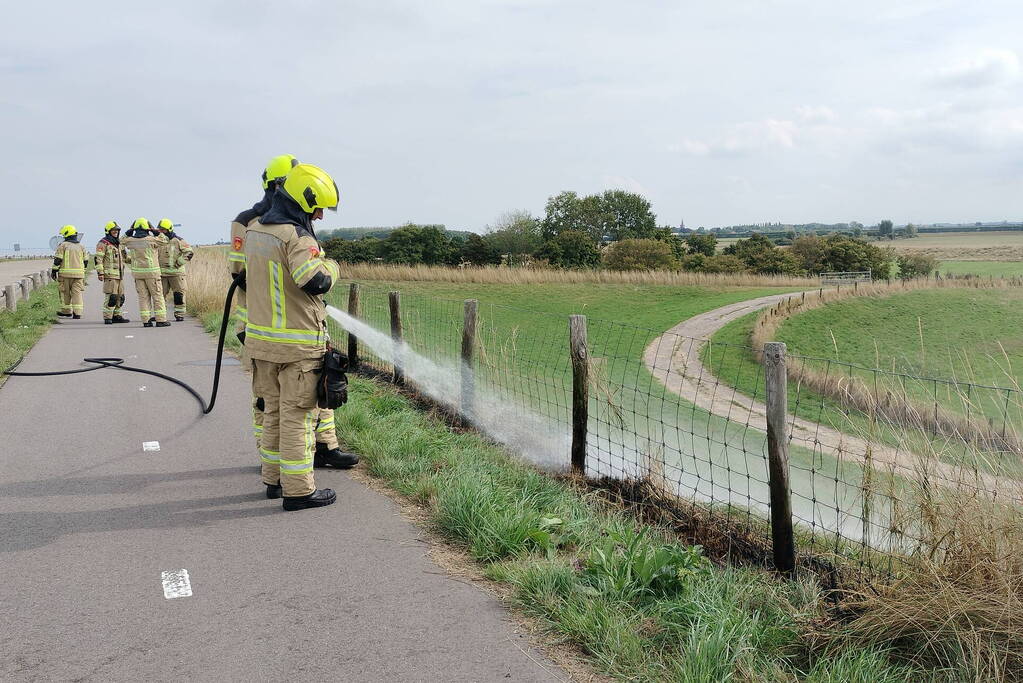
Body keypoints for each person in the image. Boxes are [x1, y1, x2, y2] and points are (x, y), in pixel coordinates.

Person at [232, 154, 357, 469]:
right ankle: (275, 462)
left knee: (313, 387)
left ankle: (323, 448)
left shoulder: (295, 221)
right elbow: (239, 271)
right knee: (271, 403)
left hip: (296, 322)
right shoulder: (249, 221)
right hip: (260, 322)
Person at [123, 218, 170, 327]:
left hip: (138, 274)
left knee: (143, 298)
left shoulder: (130, 241)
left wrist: (129, 231)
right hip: (152, 274)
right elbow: (165, 240)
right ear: (147, 228)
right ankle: (160, 320)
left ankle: (146, 321)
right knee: (157, 296)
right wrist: (155, 231)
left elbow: (121, 241)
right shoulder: (151, 240)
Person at [156, 218, 193, 321]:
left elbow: (189, 252)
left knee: (179, 295)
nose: (161, 232)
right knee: (160, 296)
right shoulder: (157, 241)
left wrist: (179, 263)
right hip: (162, 274)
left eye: (163, 230)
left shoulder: (178, 240)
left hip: (177, 274)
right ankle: (160, 315)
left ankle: (179, 314)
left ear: (169, 229)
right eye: (160, 230)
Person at [95, 221, 130, 324]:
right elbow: (98, 259)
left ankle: (117, 316)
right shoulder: (103, 243)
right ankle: (107, 317)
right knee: (112, 297)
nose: (115, 232)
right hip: (110, 275)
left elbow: (125, 258)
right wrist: (100, 273)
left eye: (117, 231)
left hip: (120, 276)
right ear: (108, 231)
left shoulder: (118, 243)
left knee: (120, 297)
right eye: (113, 230)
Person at [52, 225, 87, 319]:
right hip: (79, 275)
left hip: (65, 275)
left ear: (67, 234)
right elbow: (86, 261)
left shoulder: (63, 245)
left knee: (65, 293)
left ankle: (66, 311)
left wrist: (54, 271)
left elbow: (58, 260)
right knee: (77, 293)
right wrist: (83, 271)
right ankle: (77, 313)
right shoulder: (81, 246)